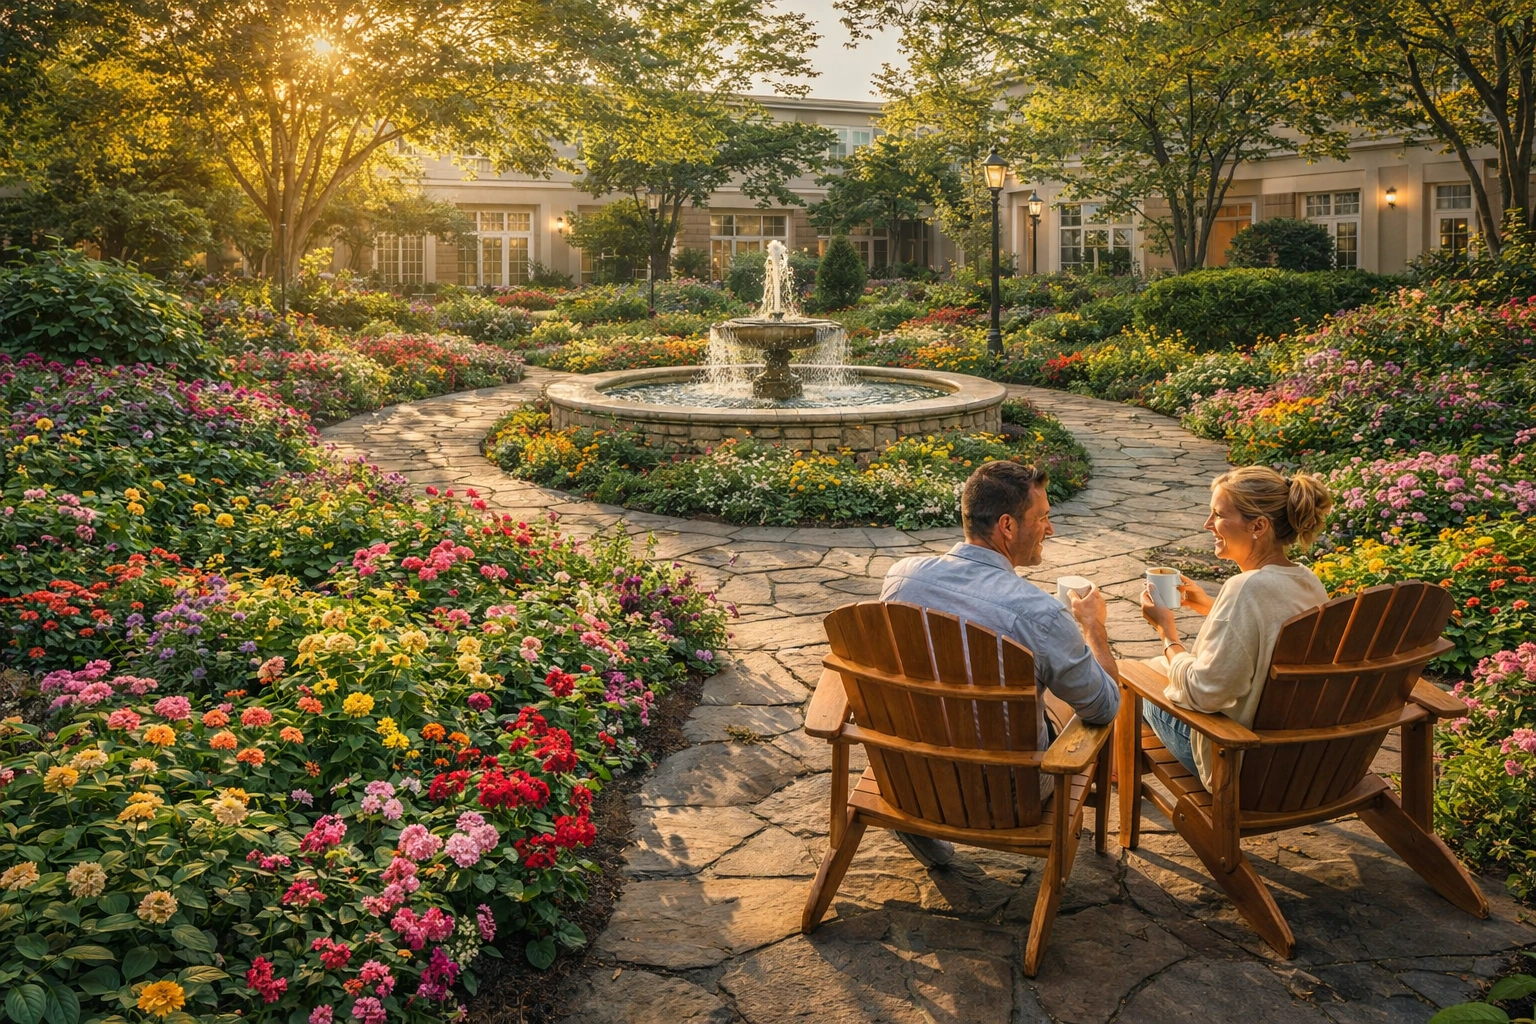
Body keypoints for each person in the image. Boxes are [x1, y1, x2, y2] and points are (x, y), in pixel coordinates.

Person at [880, 460, 1121, 867]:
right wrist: (1093, 628)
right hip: (1007, 793)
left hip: (911, 772)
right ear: (1007, 526)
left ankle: (924, 824)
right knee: (1065, 694)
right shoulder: (1040, 614)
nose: (1050, 529)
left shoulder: (903, 578)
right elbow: (1104, 706)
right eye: (1042, 518)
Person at [1139, 466, 1333, 790]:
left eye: (1217, 515)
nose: (1207, 525)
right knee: (1161, 670)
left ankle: (1119, 785)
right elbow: (1267, 634)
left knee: (1135, 682)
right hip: (1298, 755)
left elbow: (1205, 692)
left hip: (1241, 761)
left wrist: (1167, 634)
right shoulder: (1306, 581)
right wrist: (1209, 606)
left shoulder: (1246, 588)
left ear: (1258, 526)